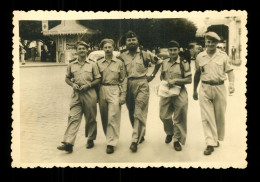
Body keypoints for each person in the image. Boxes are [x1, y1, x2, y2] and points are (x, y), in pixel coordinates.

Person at [119, 31, 163, 152]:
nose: (131, 42)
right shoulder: (122, 55)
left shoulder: (144, 53)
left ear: (137, 41)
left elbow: (159, 61)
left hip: (142, 83)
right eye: (129, 40)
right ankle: (139, 133)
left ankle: (134, 140)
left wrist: (153, 75)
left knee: (139, 111)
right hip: (127, 85)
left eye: (134, 40)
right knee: (131, 111)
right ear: (126, 42)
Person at [193, 32, 235, 155]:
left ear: (217, 43)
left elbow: (230, 71)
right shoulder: (200, 56)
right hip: (205, 88)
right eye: (207, 41)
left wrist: (231, 84)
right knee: (207, 117)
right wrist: (194, 90)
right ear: (205, 42)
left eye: (212, 42)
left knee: (219, 116)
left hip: (220, 87)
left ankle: (216, 139)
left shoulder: (223, 56)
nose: (209, 44)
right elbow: (197, 74)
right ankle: (210, 143)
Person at [57, 41, 101, 153]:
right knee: (73, 117)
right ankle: (68, 143)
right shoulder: (71, 64)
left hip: (90, 93)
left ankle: (90, 139)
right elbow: (67, 78)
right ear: (76, 51)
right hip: (76, 94)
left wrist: (89, 85)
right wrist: (73, 84)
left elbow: (98, 79)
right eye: (79, 49)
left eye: (84, 49)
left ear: (87, 50)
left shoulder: (92, 64)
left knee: (91, 118)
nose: (81, 51)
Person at [159, 40, 192, 151]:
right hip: (167, 91)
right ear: (168, 51)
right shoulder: (164, 62)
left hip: (179, 91)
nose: (173, 52)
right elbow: (162, 76)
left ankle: (176, 140)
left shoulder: (184, 62)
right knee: (163, 115)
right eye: (171, 50)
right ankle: (169, 132)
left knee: (180, 114)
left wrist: (176, 80)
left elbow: (189, 79)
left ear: (178, 50)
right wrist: (162, 84)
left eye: (175, 50)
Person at [96, 39, 127, 154]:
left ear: (113, 48)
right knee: (105, 117)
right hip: (102, 89)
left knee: (113, 116)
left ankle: (111, 143)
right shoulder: (98, 62)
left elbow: (123, 79)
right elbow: (95, 79)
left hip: (115, 89)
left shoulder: (119, 62)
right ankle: (109, 137)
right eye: (106, 47)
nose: (108, 49)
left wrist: (123, 95)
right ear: (103, 49)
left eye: (110, 47)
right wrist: (96, 95)